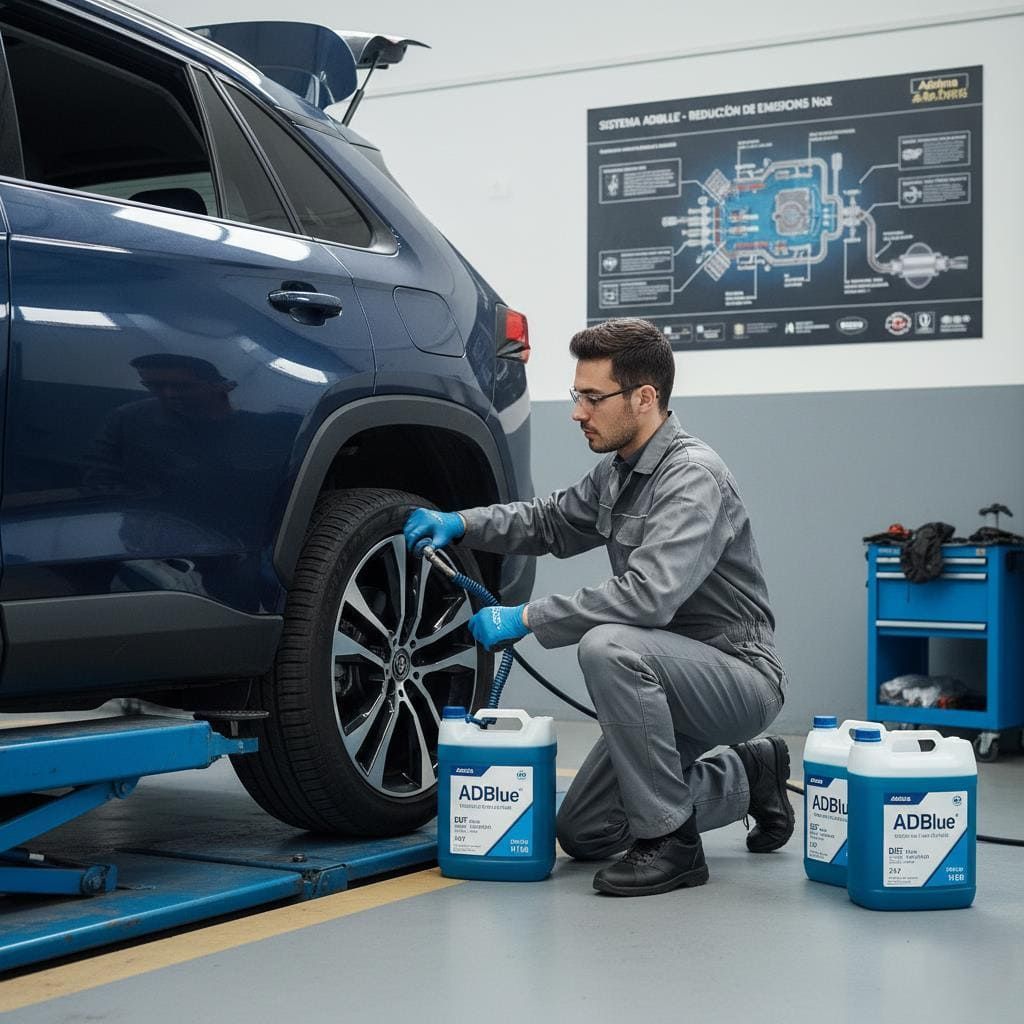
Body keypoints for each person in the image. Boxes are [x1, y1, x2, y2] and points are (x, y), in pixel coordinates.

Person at [403, 317, 792, 897]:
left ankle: (676, 848)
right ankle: (751, 774)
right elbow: (550, 521)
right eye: (575, 395)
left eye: (592, 397)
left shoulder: (693, 478)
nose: (578, 412)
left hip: (735, 675)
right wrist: (461, 523)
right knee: (586, 830)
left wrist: (525, 617)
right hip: (664, 679)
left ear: (644, 398)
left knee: (608, 644)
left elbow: (648, 596)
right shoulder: (619, 473)